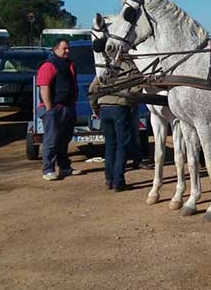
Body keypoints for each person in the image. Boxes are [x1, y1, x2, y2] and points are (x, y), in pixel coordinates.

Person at [89, 60, 139, 191]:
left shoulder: (106, 66)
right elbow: (137, 86)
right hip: (120, 108)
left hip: (104, 109)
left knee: (110, 145)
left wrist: (96, 107)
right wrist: (129, 102)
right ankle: (118, 181)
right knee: (122, 146)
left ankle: (109, 179)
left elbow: (92, 88)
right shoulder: (129, 66)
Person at [36, 39, 82, 181]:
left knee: (64, 140)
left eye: (68, 48)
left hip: (68, 107)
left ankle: (64, 167)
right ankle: (48, 169)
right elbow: (44, 86)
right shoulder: (49, 65)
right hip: (54, 109)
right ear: (56, 49)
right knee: (51, 140)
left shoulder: (69, 64)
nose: (68, 51)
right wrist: (49, 108)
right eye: (64, 48)